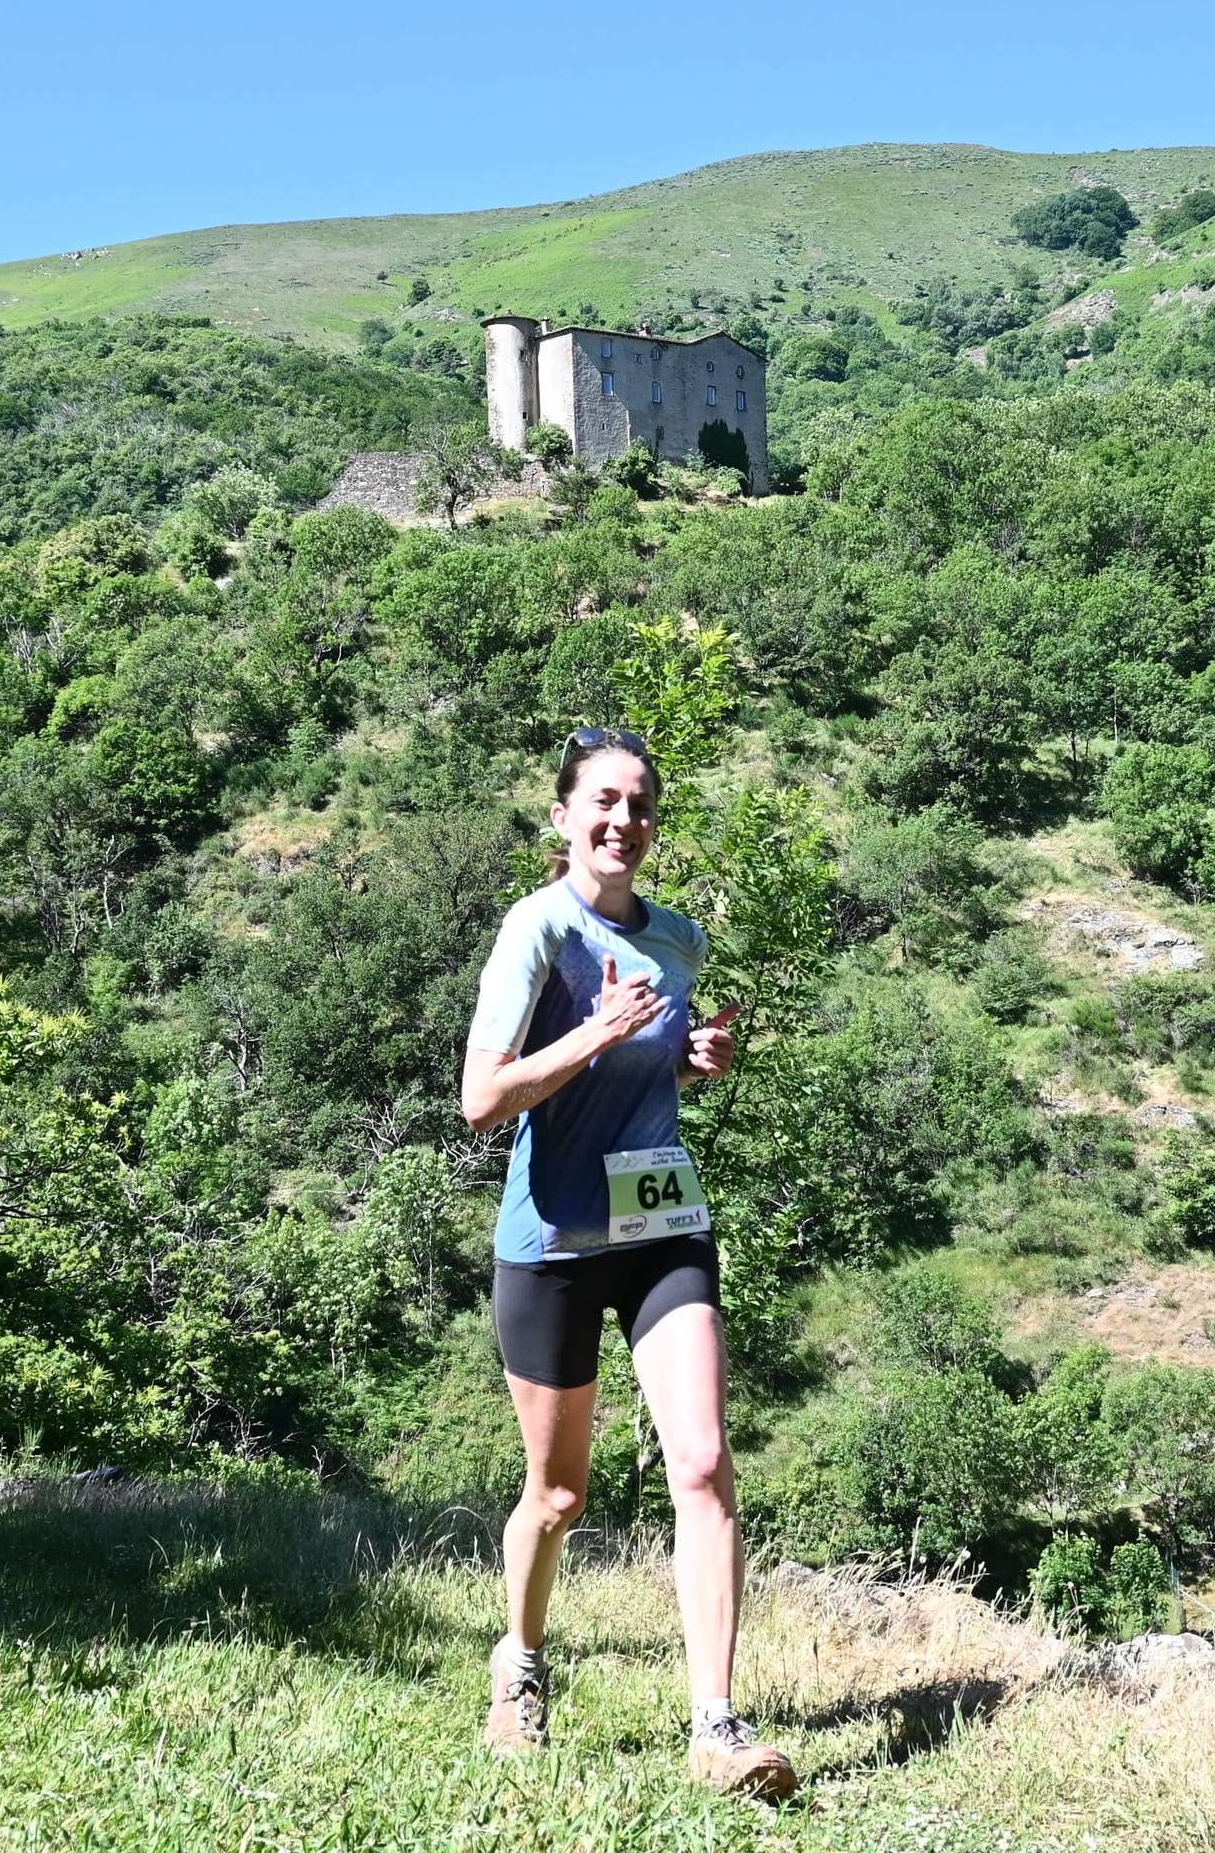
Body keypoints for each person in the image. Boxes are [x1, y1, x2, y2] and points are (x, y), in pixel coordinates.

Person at [460, 727, 797, 1800]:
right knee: (558, 1494)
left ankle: (716, 1724)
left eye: (641, 804)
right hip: (551, 1240)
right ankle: (518, 1665)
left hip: (660, 1230)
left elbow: (655, 1070)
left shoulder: (680, 940)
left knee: (700, 1463)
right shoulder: (537, 928)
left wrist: (694, 1059)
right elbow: (481, 1099)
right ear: (561, 815)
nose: (623, 819)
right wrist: (592, 1036)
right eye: (602, 800)